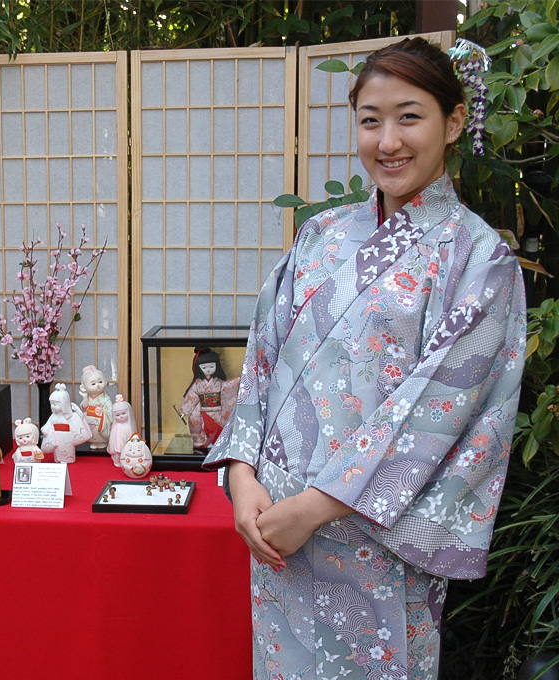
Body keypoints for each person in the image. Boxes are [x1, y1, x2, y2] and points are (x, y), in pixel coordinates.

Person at [203, 38, 526, 680]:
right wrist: (243, 479)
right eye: (370, 119)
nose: (387, 141)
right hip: (274, 533)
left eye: (410, 116)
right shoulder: (321, 235)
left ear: (454, 121)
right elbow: (263, 360)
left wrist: (317, 506)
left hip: (375, 539)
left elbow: (439, 408)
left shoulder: (479, 260)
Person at [180, 347, 240, 449]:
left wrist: (238, 381)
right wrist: (184, 411)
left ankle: (217, 442)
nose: (208, 370)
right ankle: (204, 443)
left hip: (218, 411)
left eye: (211, 366)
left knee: (216, 428)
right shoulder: (198, 384)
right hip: (203, 412)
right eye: (204, 368)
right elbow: (192, 396)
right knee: (200, 423)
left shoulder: (218, 382)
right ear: (199, 368)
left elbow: (227, 387)